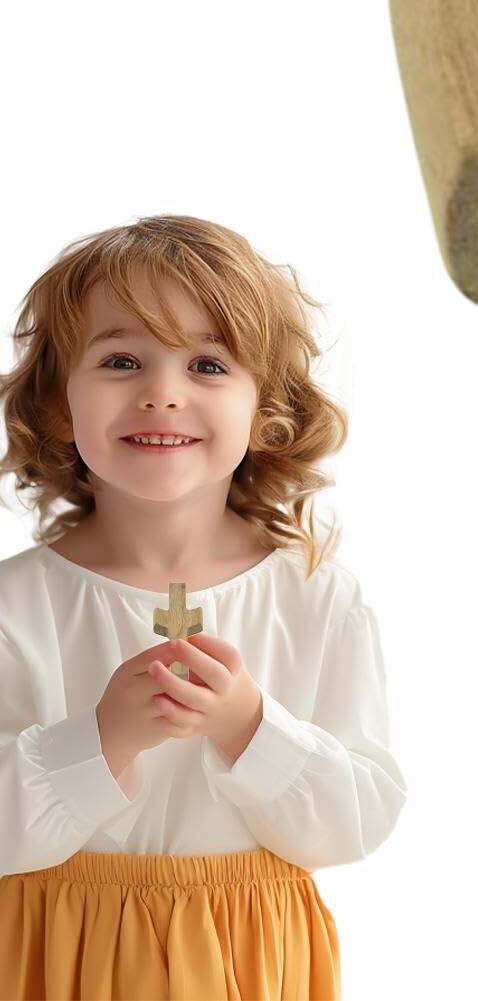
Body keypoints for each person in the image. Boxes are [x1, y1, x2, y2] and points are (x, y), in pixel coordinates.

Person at [0, 215, 406, 1000]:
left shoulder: (318, 599)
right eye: (121, 360)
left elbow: (357, 819)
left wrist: (251, 725)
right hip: (52, 953)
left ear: (265, 407)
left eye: (208, 364)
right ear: (57, 405)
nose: (162, 392)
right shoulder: (16, 607)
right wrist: (102, 740)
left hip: (246, 959)